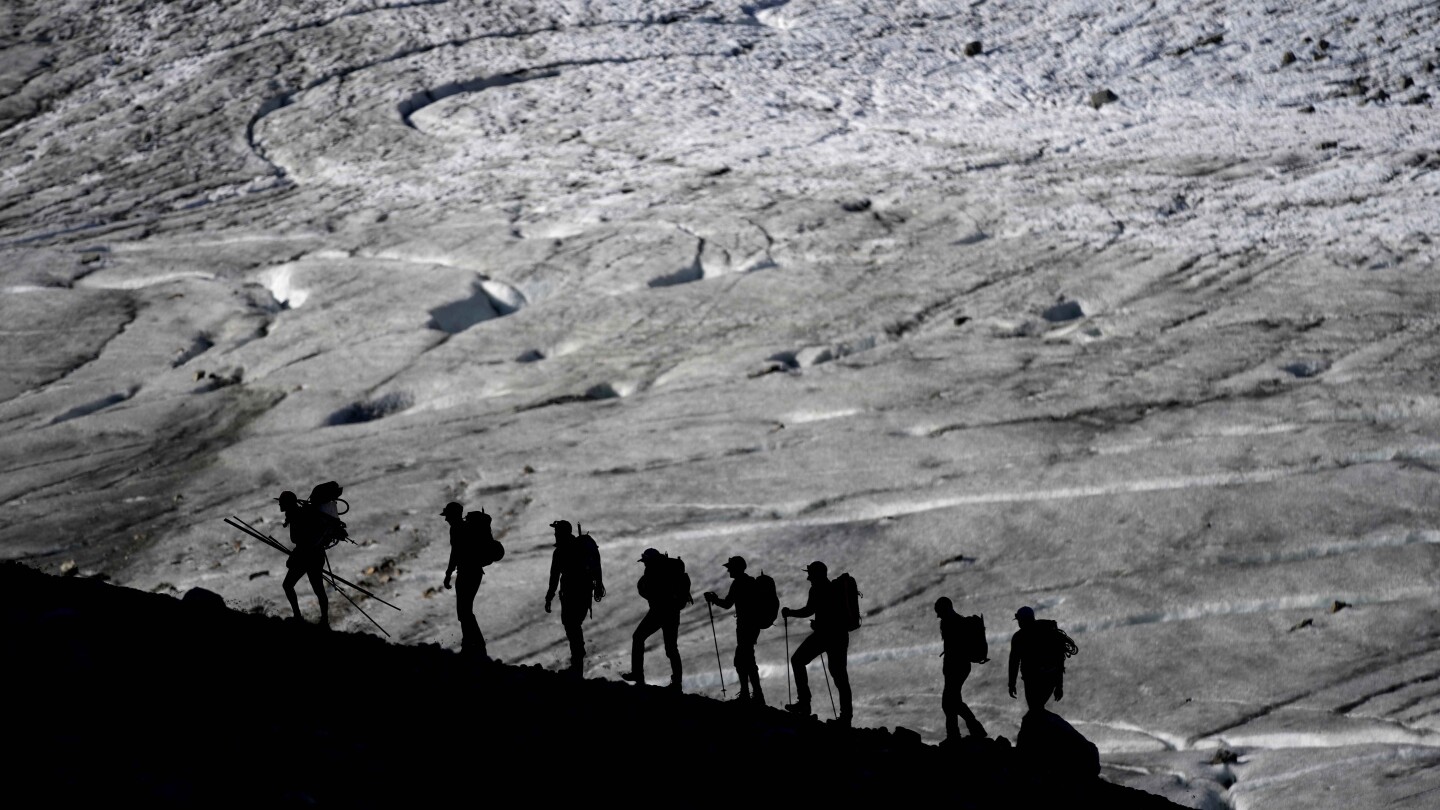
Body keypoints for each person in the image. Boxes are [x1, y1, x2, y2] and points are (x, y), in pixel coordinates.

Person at [781, 561, 851, 725]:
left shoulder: (819, 589)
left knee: (798, 660)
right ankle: (846, 717)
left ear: (817, 574)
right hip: (838, 637)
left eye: (810, 574)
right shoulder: (832, 589)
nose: (808, 577)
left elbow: (809, 611)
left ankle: (804, 705)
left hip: (826, 636)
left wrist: (791, 613)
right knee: (840, 676)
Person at [621, 548, 691, 689]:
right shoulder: (671, 567)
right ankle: (677, 682)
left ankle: (637, 674)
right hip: (673, 612)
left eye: (645, 561)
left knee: (638, 637)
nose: (645, 564)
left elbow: (648, 591)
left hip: (659, 611)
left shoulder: (653, 570)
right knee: (671, 648)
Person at [544, 520, 604, 673]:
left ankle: (577, 663)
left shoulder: (560, 552)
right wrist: (598, 585)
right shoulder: (580, 547)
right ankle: (577, 661)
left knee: (571, 625)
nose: (555, 535)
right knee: (573, 625)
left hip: (572, 593)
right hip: (583, 592)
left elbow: (554, 576)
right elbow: (595, 567)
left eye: (557, 532)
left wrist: (549, 597)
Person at [704, 556, 764, 704]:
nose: (728, 570)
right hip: (752, 626)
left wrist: (713, 599)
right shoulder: (750, 582)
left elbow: (727, 604)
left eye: (730, 567)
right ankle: (753, 694)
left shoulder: (738, 584)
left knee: (743, 660)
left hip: (745, 626)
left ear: (737, 568)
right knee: (747, 659)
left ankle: (752, 695)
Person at [935, 597, 987, 740]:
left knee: (950, 702)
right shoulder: (951, 621)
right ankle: (959, 733)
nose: (938, 615)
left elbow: (955, 649)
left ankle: (964, 731)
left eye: (939, 612)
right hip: (956, 667)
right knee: (951, 701)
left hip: (957, 667)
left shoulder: (953, 623)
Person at [441, 502, 487, 659]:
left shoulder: (457, 529)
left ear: (453, 515)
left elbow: (455, 553)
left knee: (464, 611)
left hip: (468, 573)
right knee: (465, 610)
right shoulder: (465, 527)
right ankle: (472, 644)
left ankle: (475, 646)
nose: (445, 518)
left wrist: (448, 574)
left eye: (447, 515)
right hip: (473, 573)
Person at [277, 490, 328, 626]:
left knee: (288, 585)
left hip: (307, 556)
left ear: (287, 504)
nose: (279, 505)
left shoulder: (297, 515)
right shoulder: (300, 513)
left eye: (281, 503)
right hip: (315, 555)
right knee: (318, 589)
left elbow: (298, 539)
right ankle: (324, 620)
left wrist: (295, 557)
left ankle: (299, 617)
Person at [1008, 606, 1064, 712]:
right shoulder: (1048, 632)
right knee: (1037, 709)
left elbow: (1014, 663)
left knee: (1035, 709)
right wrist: (1059, 686)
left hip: (1032, 680)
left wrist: (1012, 685)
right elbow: (1059, 659)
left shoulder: (1018, 638)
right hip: (1049, 677)